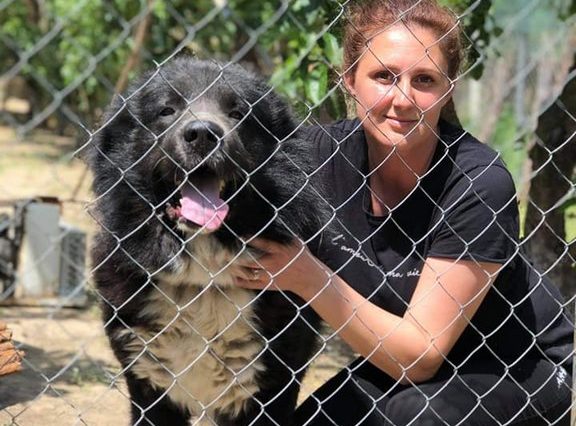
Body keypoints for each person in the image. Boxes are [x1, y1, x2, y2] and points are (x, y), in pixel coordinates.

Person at [234, 0, 574, 424]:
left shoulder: (478, 180)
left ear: (448, 90)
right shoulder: (316, 158)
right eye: (384, 76)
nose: (403, 98)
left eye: (424, 79)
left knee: (416, 417)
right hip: (397, 356)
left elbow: (422, 357)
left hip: (514, 361)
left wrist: (308, 277)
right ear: (349, 80)